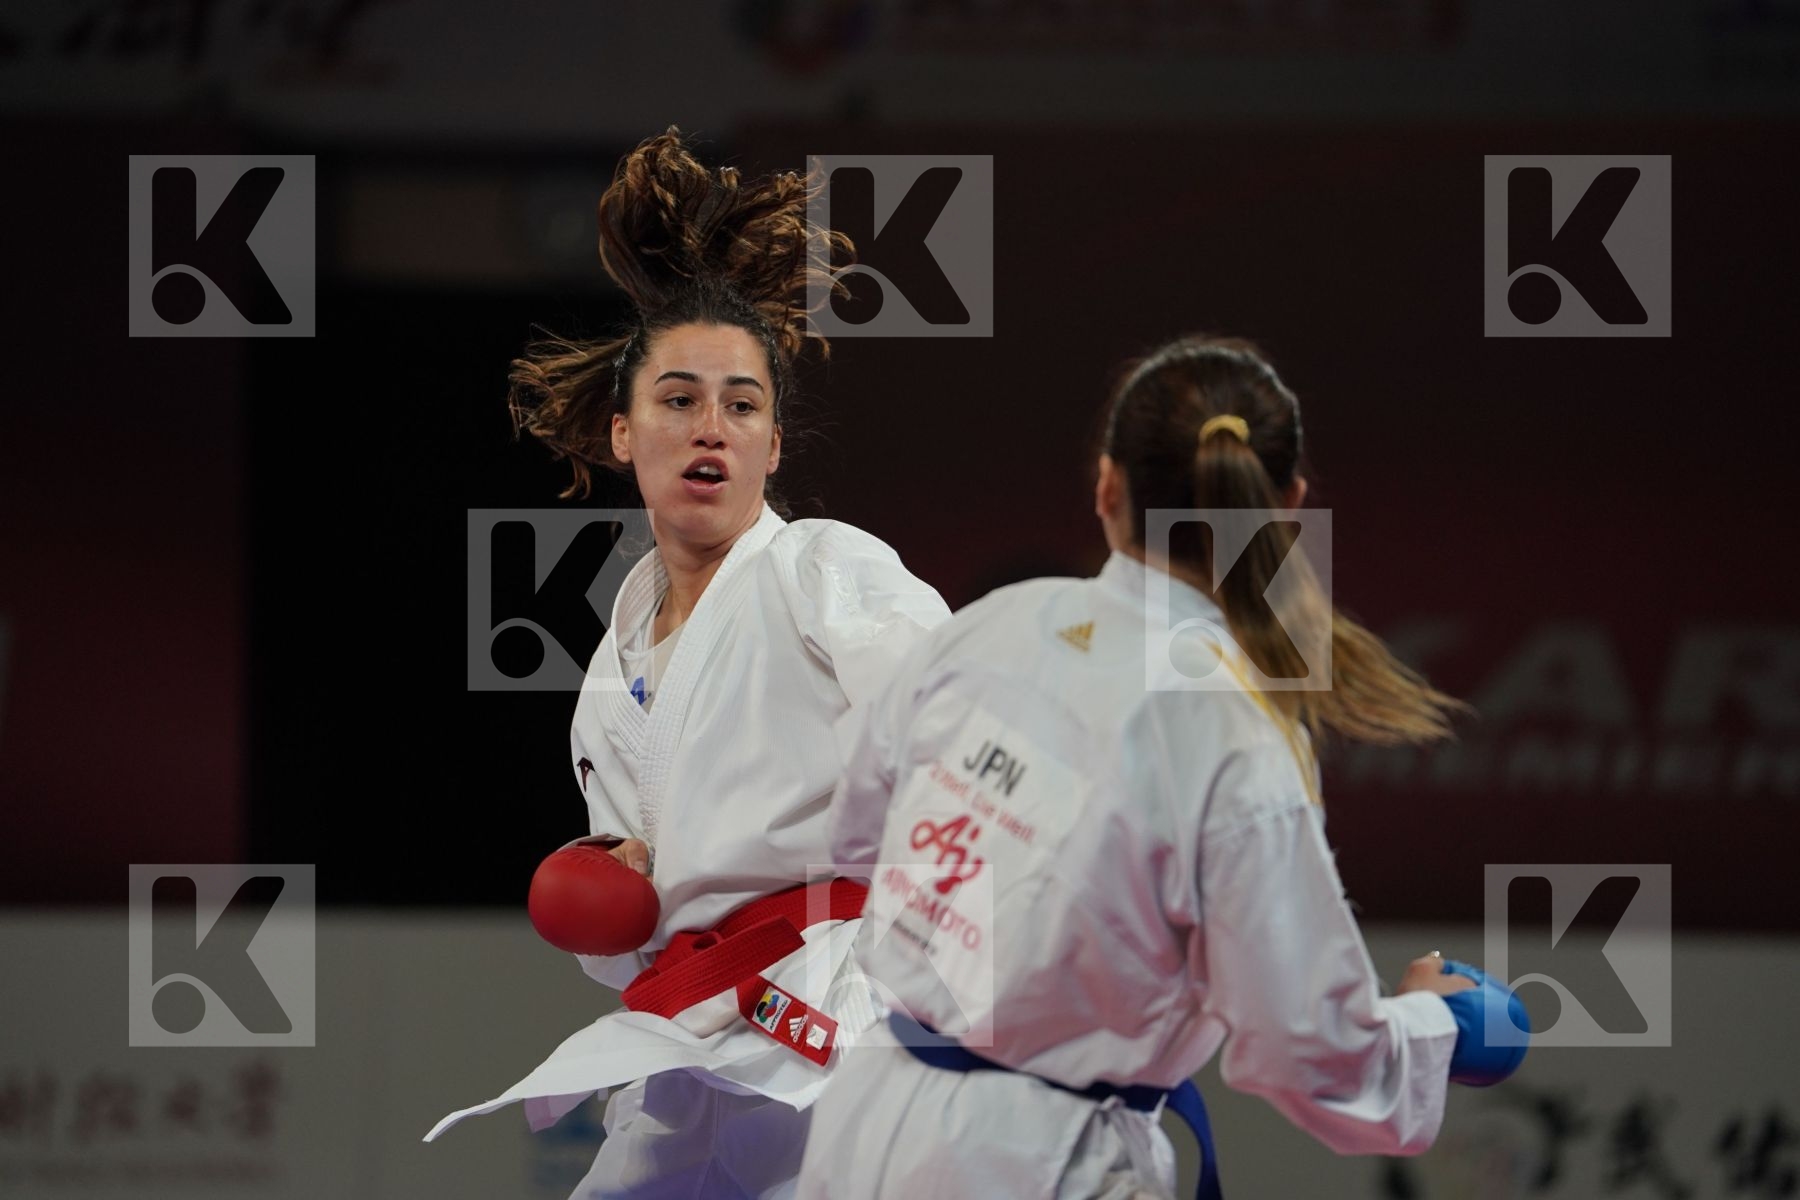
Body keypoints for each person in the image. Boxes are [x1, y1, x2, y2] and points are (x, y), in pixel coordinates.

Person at [796, 335, 1494, 1199]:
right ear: (1288, 511)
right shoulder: (1235, 731)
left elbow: (858, 840)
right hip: (1042, 1166)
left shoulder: (986, 629)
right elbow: (1305, 1050)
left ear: (1106, 486)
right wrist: (1443, 1022)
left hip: (860, 1123)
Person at [424, 128, 951, 1199]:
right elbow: (627, 940)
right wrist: (605, 900)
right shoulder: (614, 663)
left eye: (742, 406)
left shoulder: (822, 569)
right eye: (678, 400)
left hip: (835, 1029)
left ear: (772, 446)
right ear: (622, 434)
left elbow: (972, 735)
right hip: (686, 1040)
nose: (711, 427)